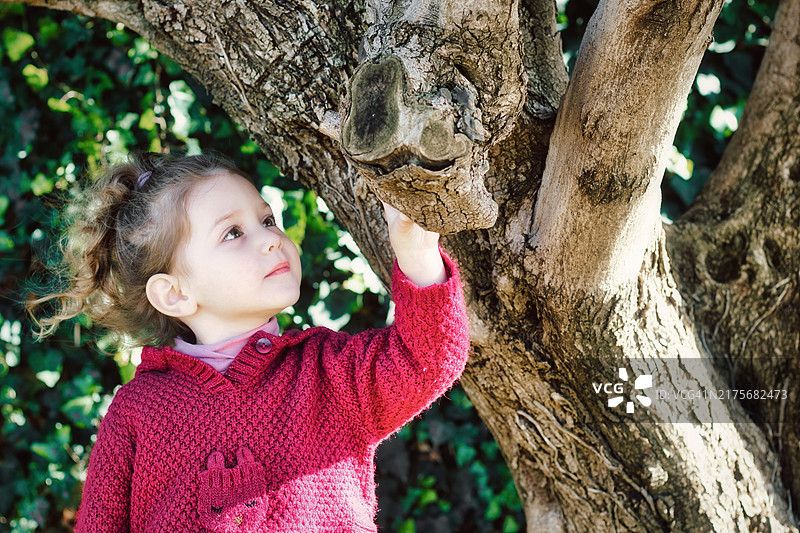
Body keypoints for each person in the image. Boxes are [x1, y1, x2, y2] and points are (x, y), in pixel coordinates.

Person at [27, 152, 470, 532]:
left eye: (267, 220)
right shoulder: (136, 414)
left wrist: (416, 254)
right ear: (174, 294)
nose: (271, 240)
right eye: (233, 233)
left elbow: (426, 360)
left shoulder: (327, 373)